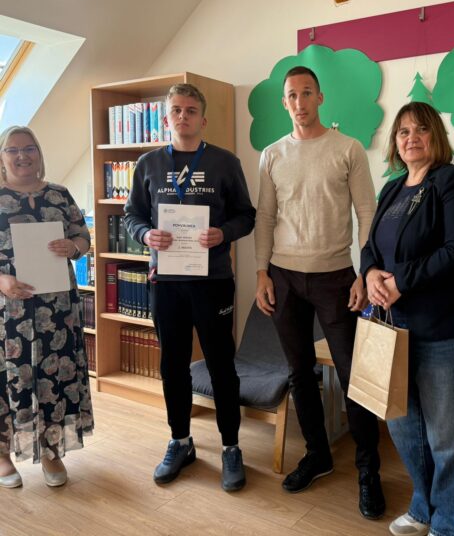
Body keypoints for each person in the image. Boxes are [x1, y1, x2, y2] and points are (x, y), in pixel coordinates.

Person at [361, 101, 454, 536]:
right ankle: (424, 507)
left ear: (435, 135)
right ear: (395, 142)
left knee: (447, 438)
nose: (411, 138)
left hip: (450, 329)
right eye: (403, 132)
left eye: (420, 129)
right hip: (397, 328)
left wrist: (401, 281)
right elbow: (370, 247)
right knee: (404, 428)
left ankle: (449, 525)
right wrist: (370, 273)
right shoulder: (392, 189)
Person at [255, 66, 385, 519]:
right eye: (292, 95)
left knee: (353, 377)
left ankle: (369, 470)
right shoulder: (272, 154)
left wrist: (364, 273)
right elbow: (265, 217)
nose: (300, 102)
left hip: (336, 278)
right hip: (283, 277)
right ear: (284, 103)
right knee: (299, 372)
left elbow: (367, 213)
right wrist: (261, 273)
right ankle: (318, 454)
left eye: (307, 93)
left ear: (320, 97)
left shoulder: (347, 149)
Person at [124, 83, 255, 491]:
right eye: (176, 110)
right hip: (166, 283)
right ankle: (180, 441)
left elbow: (246, 215)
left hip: (213, 282)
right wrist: (145, 235)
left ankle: (231, 446)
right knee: (172, 365)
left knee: (221, 365)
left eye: (191, 110)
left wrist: (223, 233)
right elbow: (132, 216)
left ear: (203, 118)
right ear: (166, 118)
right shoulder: (147, 164)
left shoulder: (225, 162)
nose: (183, 116)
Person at [0, 125, 94, 489]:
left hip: (58, 309)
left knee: (56, 377)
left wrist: (75, 247)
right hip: (7, 310)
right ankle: (2, 455)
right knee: (8, 378)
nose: (22, 155)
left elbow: (83, 236)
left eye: (29, 148)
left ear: (39, 153)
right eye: (12, 150)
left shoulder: (59, 194)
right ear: (2, 157)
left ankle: (52, 451)